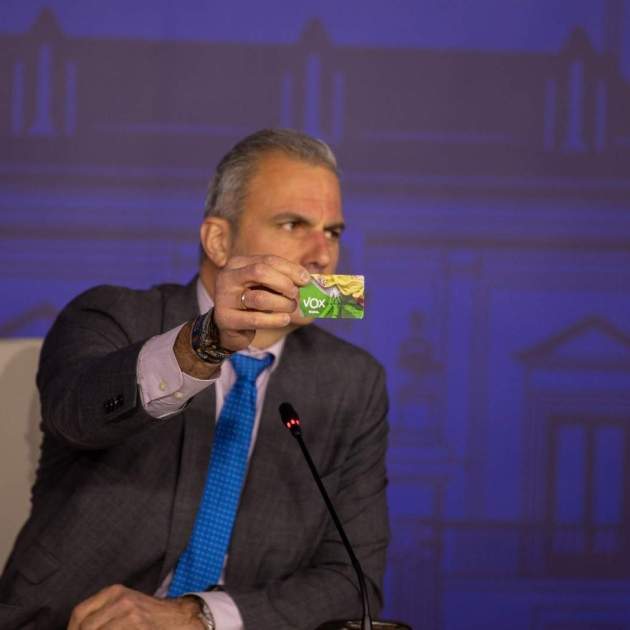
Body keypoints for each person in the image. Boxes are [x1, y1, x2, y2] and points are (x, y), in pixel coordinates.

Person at [0, 129, 390, 630]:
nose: (322, 255)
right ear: (218, 241)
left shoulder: (353, 382)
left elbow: (351, 583)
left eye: (332, 232)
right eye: (293, 224)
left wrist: (198, 617)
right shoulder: (111, 315)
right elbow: (75, 414)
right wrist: (206, 342)